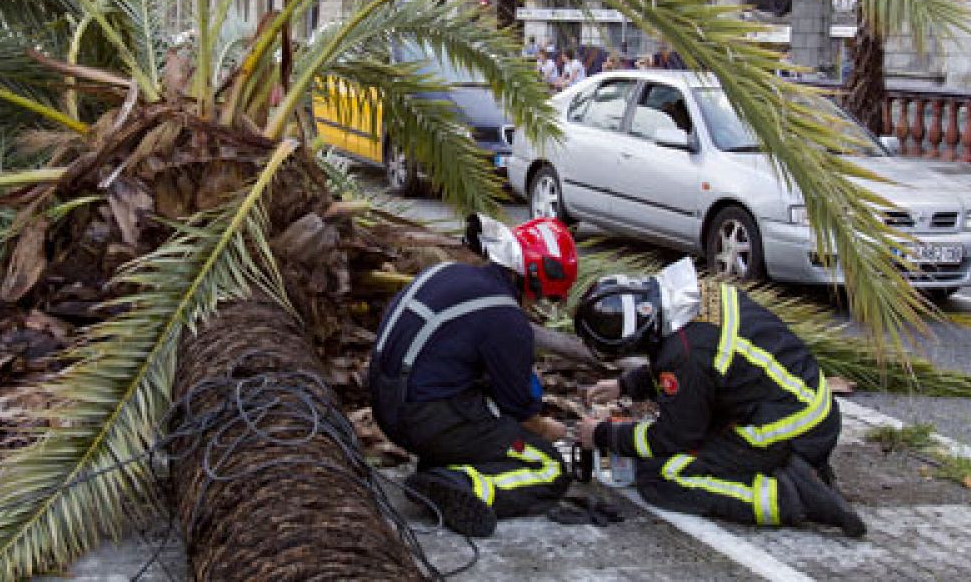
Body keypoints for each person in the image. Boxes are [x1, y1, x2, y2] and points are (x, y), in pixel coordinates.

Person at [572, 259, 866, 537]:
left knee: (662, 476)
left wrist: (603, 434)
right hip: (807, 409)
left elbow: (675, 437)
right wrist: (626, 386)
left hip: (790, 429)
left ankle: (793, 497)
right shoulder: (696, 298)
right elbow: (704, 367)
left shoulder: (685, 354)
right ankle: (802, 470)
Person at [369, 215, 579, 537]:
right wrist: (549, 430)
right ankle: (462, 484)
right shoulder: (505, 317)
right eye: (548, 297)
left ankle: (443, 466)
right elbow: (520, 411)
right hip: (425, 418)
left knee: (483, 419)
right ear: (536, 279)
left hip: (388, 406)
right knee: (547, 465)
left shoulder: (449, 273)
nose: (539, 304)